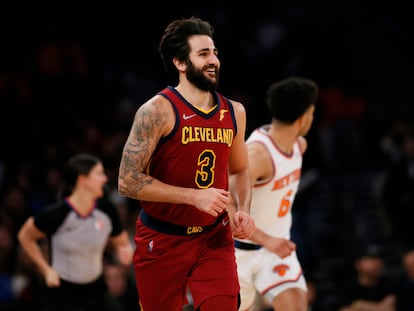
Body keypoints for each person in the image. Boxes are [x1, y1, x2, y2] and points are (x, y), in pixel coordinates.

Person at [117, 16, 256, 311]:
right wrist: (193, 196)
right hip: (162, 239)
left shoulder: (235, 111)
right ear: (180, 63)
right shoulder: (156, 111)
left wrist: (242, 211)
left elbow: (240, 169)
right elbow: (127, 181)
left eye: (215, 52)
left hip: (213, 237)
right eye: (203, 53)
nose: (214, 60)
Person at [232, 77, 319, 311]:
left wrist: (272, 242)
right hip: (237, 253)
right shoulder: (257, 154)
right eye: (311, 113)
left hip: (275, 252)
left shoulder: (299, 146)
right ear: (303, 118)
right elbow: (225, 207)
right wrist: (266, 239)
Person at [17, 153, 134, 311]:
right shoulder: (56, 214)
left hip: (96, 289)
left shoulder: (107, 210)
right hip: (63, 293)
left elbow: (121, 242)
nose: (105, 179)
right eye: (99, 174)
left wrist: (124, 250)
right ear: (82, 180)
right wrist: (45, 269)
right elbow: (25, 236)